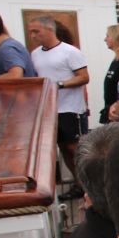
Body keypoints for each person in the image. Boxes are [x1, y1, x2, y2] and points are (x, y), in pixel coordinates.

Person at [28, 14, 90, 189]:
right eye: (31, 32)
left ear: (49, 30)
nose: (33, 36)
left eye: (36, 31)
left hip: (70, 108)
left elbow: (84, 77)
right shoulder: (35, 54)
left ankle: (89, 183)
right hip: (49, 110)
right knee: (62, 148)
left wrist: (59, 85)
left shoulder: (70, 52)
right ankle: (79, 184)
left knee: (74, 148)